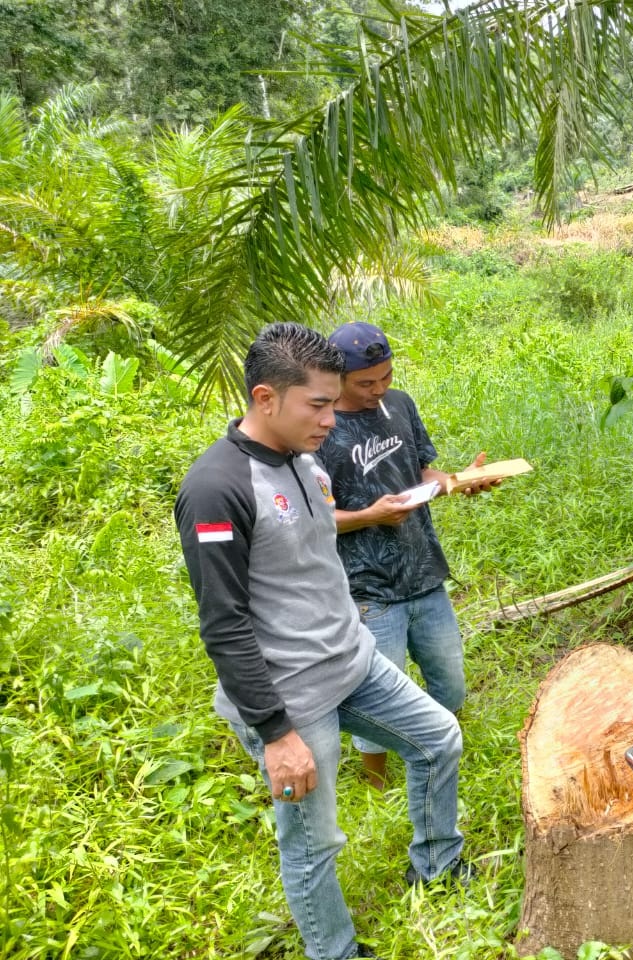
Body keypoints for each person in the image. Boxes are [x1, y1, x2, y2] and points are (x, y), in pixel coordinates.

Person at [174, 323, 469, 960]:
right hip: (291, 696)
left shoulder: (304, 459)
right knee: (314, 842)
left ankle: (438, 862)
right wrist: (277, 733)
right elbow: (223, 624)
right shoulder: (216, 489)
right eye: (318, 404)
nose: (333, 419)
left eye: (335, 403)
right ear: (265, 397)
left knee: (438, 737)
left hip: (351, 659)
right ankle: (333, 951)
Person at [315, 321, 493, 790]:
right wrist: (369, 516)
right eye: (365, 383)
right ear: (337, 379)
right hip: (367, 588)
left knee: (450, 681)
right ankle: (376, 786)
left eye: (386, 377)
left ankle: (445, 754)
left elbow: (422, 469)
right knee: (378, 695)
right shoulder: (320, 429)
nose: (379, 390)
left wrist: (456, 480)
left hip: (423, 572)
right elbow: (312, 520)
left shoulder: (399, 405)